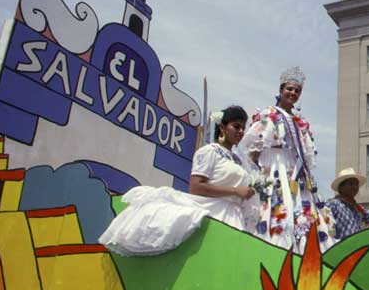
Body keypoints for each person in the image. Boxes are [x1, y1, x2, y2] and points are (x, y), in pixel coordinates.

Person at [99, 105, 255, 256]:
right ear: (222, 127)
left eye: (243, 128)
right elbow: (196, 187)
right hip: (216, 214)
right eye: (236, 126)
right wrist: (235, 191)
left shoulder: (238, 161)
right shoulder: (209, 151)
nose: (241, 131)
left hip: (235, 217)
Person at [240, 66, 335, 253]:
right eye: (289, 89)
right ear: (281, 90)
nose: (293, 93)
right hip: (274, 165)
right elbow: (255, 147)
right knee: (277, 204)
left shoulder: (299, 121)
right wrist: (254, 172)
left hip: (295, 171)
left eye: (297, 91)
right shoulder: (270, 114)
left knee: (300, 208)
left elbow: (306, 154)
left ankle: (301, 247)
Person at [326, 168, 369, 240]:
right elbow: (323, 222)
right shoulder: (333, 204)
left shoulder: (357, 209)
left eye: (356, 184)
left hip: (356, 247)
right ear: (341, 188)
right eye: (351, 184)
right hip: (340, 248)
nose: (354, 187)